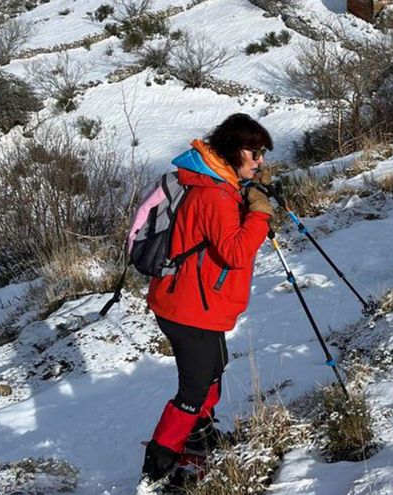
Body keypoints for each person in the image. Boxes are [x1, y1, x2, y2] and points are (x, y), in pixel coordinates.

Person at [139, 113, 274, 488]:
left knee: (215, 366)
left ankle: (199, 439)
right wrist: (260, 215)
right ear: (233, 151)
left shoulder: (221, 184)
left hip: (201, 303)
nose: (260, 160)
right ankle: (160, 465)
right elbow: (234, 252)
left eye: (262, 153)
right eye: (255, 152)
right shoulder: (214, 193)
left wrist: (248, 198)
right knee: (195, 386)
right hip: (187, 307)